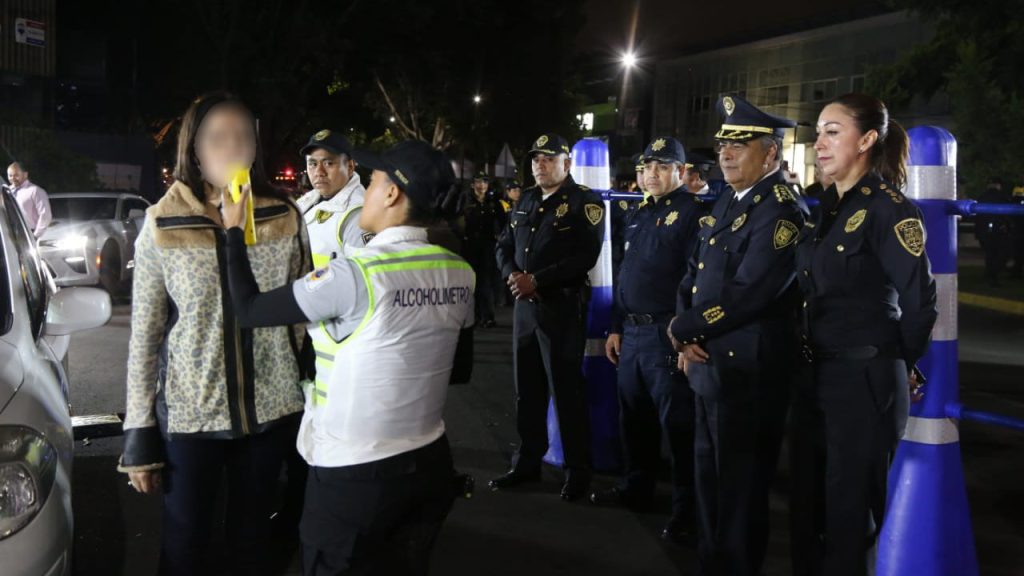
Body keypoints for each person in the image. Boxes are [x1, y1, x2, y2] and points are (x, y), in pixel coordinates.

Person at [222, 139, 474, 575]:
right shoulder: (459, 271)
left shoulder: (356, 273)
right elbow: (460, 369)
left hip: (355, 471)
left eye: (374, 181)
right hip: (429, 463)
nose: (368, 189)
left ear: (393, 193)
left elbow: (248, 311)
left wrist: (231, 231)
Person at [118, 91, 309, 576]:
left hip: (271, 414)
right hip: (191, 419)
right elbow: (145, 334)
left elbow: (305, 322)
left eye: (244, 136)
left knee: (253, 546)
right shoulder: (163, 222)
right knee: (185, 548)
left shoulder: (284, 216)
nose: (233, 148)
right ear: (195, 151)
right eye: (218, 138)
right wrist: (139, 431)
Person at [793, 93, 938, 576]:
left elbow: (920, 304)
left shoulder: (889, 209)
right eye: (818, 132)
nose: (820, 142)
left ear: (867, 139)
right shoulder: (827, 207)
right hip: (818, 376)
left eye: (833, 131)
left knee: (850, 515)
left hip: (864, 378)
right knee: (812, 505)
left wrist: (894, 362)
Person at [668, 95, 807, 576]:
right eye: (723, 144)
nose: (725, 154)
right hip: (709, 364)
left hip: (748, 372)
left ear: (769, 154)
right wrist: (684, 333)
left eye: (740, 145)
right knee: (709, 479)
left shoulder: (782, 211)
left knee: (742, 489)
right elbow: (695, 270)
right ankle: (713, 563)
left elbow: (751, 292)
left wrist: (683, 327)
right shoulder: (731, 198)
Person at [591, 137, 702, 544]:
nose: (651, 173)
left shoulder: (693, 214)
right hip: (633, 332)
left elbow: (697, 280)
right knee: (633, 418)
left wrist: (685, 332)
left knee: (678, 425)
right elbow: (626, 274)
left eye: (661, 166)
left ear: (681, 171)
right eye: (646, 166)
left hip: (665, 333)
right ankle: (636, 489)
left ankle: (686, 509)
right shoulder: (638, 214)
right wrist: (617, 325)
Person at [490, 133, 605, 501]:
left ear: (566, 164)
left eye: (548, 159)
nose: (540, 165)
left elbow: (585, 256)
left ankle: (578, 471)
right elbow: (503, 245)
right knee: (528, 391)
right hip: (525, 308)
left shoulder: (583, 202)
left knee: (566, 392)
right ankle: (526, 462)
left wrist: (536, 279)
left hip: (559, 308)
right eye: (536, 159)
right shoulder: (525, 199)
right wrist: (513, 275)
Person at [297, 129, 369, 268]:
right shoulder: (311, 199)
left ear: (350, 166)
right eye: (312, 164)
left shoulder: (358, 215)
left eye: (328, 163)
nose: (319, 172)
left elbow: (363, 280)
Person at [458, 171, 504, 327]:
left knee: (485, 281)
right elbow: (457, 221)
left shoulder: (493, 202)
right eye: (479, 182)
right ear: (472, 184)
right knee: (471, 281)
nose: (482, 185)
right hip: (470, 245)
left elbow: (503, 222)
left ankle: (488, 316)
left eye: (485, 182)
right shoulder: (466, 201)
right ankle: (473, 316)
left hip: (487, 246)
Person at [975, 178, 1012, 286]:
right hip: (998, 231)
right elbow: (1007, 214)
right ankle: (993, 276)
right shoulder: (1002, 197)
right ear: (998, 185)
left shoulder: (982, 197)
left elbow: (978, 217)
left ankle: (990, 274)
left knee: (990, 254)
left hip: (984, 231)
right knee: (1000, 254)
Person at [6, 162, 52, 237]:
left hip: (29, 233)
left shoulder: (35, 191)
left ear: (25, 175)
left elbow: (45, 215)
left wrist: (35, 236)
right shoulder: (7, 191)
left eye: (16, 175)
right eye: (10, 175)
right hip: (10, 234)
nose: (13, 178)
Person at [1011, 184, 1024, 279]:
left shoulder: (1011, 202)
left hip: (1015, 232)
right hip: (1020, 232)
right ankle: (1016, 272)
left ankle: (1016, 272)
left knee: (1017, 255)